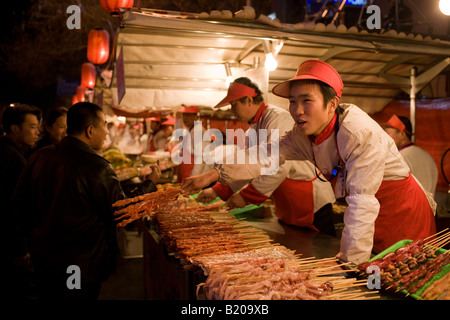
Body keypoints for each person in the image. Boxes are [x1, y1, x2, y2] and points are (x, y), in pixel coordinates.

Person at [182, 60, 437, 264]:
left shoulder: (360, 135)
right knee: (377, 272)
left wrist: (348, 263)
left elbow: (361, 203)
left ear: (332, 104)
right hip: (372, 215)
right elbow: (266, 153)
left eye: (307, 100)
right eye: (292, 101)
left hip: (402, 213)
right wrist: (213, 175)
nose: (297, 110)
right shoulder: (304, 134)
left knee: (404, 276)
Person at [13, 102, 161, 300]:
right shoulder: (96, 167)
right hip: (76, 265)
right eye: (105, 126)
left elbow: (18, 205)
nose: (107, 133)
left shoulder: (40, 156)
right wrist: (150, 184)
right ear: (90, 130)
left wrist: (29, 244)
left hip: (43, 260)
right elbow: (122, 210)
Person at [196, 77, 336, 235]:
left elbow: (278, 166)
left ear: (249, 100)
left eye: (234, 105)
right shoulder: (252, 129)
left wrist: (245, 196)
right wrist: (217, 191)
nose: (232, 110)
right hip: (286, 199)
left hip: (310, 199)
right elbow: (248, 167)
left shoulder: (277, 118)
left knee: (318, 247)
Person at [1, 103, 41, 299]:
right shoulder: (12, 158)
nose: (37, 132)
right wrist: (21, 247)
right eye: (32, 126)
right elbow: (12, 206)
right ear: (14, 129)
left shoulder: (10, 151)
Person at [382, 114, 438, 196]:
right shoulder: (427, 156)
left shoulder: (400, 157)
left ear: (402, 135)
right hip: (429, 207)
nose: (386, 138)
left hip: (411, 207)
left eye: (388, 133)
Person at [174, 106, 210, 182]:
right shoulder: (191, 129)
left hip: (191, 172)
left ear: (196, 116)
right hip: (186, 170)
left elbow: (201, 156)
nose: (185, 118)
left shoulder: (198, 130)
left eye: (188, 115)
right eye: (184, 114)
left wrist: (194, 178)